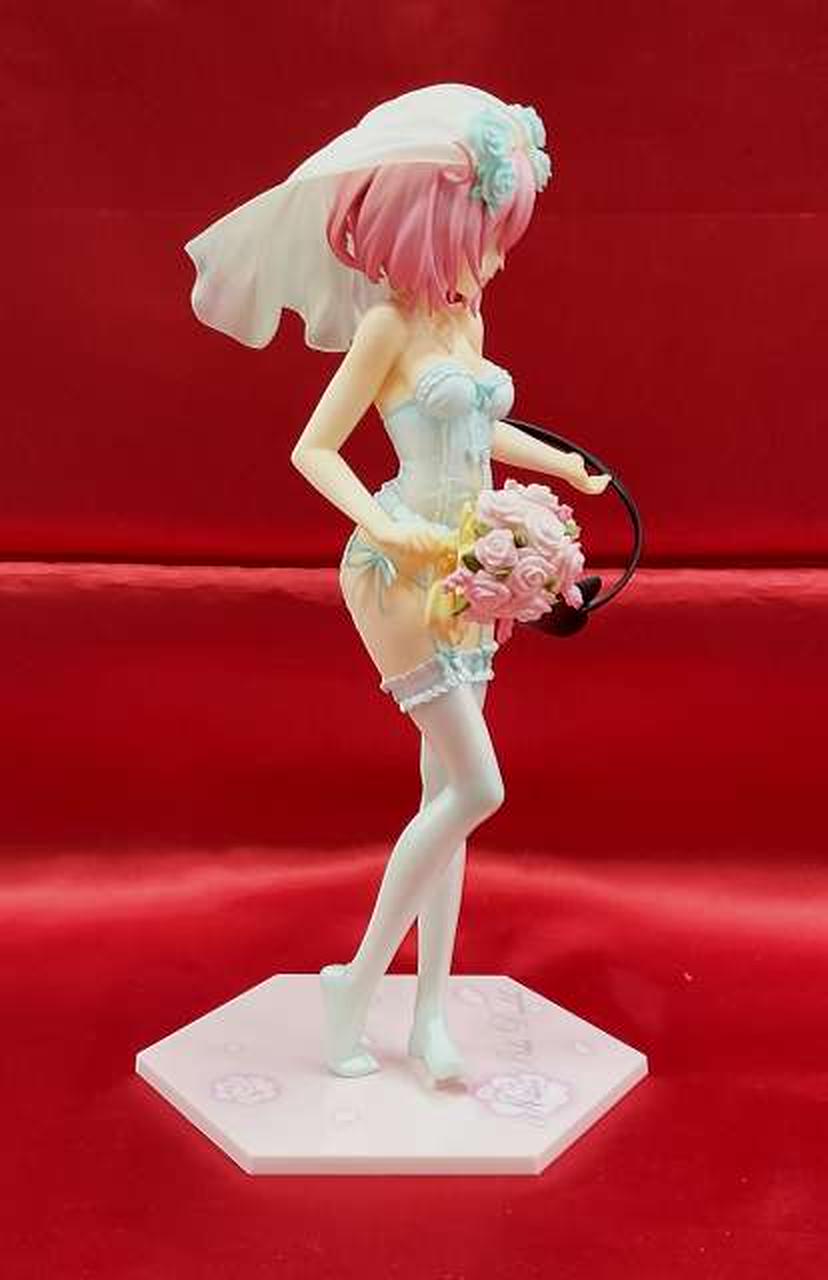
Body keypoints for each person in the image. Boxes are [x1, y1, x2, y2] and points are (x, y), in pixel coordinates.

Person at [184, 83, 611, 1084]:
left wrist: (565, 467)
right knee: (477, 787)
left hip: (470, 573)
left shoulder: (465, 317)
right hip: (396, 573)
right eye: (488, 232)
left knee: (443, 798)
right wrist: (387, 525)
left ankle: (428, 1015)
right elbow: (315, 448)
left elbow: (481, 431)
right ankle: (357, 978)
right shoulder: (386, 327)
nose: (497, 255)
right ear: (440, 225)